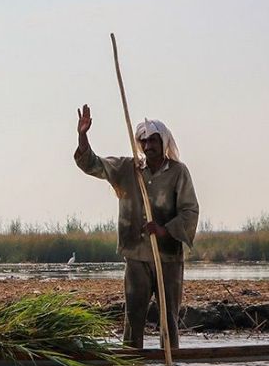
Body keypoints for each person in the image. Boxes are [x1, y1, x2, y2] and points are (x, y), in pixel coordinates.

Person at [73, 104, 199, 349]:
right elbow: (92, 164)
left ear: (163, 142)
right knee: (133, 319)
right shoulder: (128, 169)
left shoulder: (178, 172)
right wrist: (82, 135)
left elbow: (190, 211)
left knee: (169, 319)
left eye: (153, 140)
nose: (148, 145)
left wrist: (164, 230)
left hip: (167, 258)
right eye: (144, 141)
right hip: (136, 256)